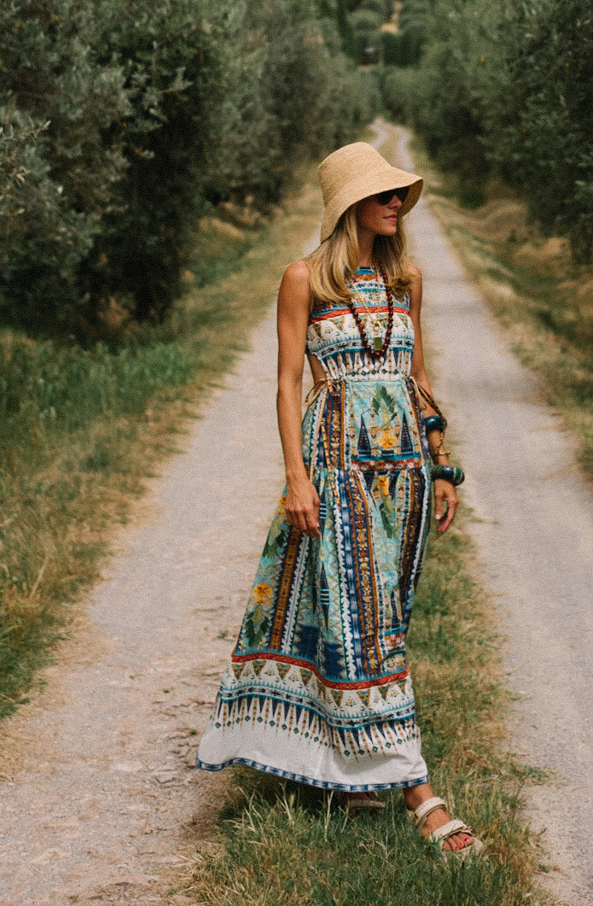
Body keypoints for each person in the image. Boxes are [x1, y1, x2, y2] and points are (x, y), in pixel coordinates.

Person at [197, 140, 481, 854]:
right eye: (385, 196)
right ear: (351, 205)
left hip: (406, 472)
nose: (397, 206)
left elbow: (416, 378)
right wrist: (297, 476)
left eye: (399, 196)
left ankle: (348, 773)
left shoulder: (406, 282)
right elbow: (288, 383)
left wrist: (442, 465)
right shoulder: (303, 281)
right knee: (362, 615)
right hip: (336, 463)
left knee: (385, 617)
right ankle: (420, 793)